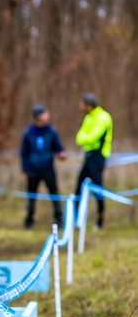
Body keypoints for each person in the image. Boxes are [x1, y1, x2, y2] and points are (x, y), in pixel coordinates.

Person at [20, 105, 67, 229]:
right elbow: (24, 153)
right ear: (39, 116)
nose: (48, 116)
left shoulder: (51, 132)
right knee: (31, 197)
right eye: (46, 114)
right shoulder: (29, 133)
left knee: (54, 194)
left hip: (48, 169)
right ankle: (29, 220)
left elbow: (59, 148)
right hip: (33, 170)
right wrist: (25, 168)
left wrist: (61, 154)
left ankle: (59, 219)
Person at [75, 93, 113, 230]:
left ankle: (100, 222)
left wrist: (85, 139)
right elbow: (79, 137)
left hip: (98, 156)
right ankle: (76, 220)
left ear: (88, 105)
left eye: (82, 104)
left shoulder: (103, 117)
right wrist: (85, 139)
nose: (80, 107)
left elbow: (92, 137)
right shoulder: (88, 118)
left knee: (98, 188)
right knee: (78, 186)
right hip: (88, 155)